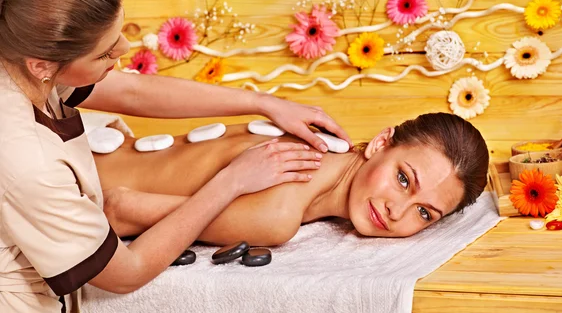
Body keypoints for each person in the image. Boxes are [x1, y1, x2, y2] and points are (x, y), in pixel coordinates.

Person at [0, 0, 351, 313]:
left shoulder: (19, 48)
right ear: (42, 65)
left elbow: (132, 93)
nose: (126, 49)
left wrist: (263, 103)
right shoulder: (24, 154)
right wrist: (232, 181)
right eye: (105, 54)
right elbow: (125, 272)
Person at [98, 113, 490, 247]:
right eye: (404, 180)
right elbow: (121, 210)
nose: (396, 210)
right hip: (68, 174)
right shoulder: (278, 213)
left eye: (424, 213)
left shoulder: (317, 140)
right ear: (380, 143)